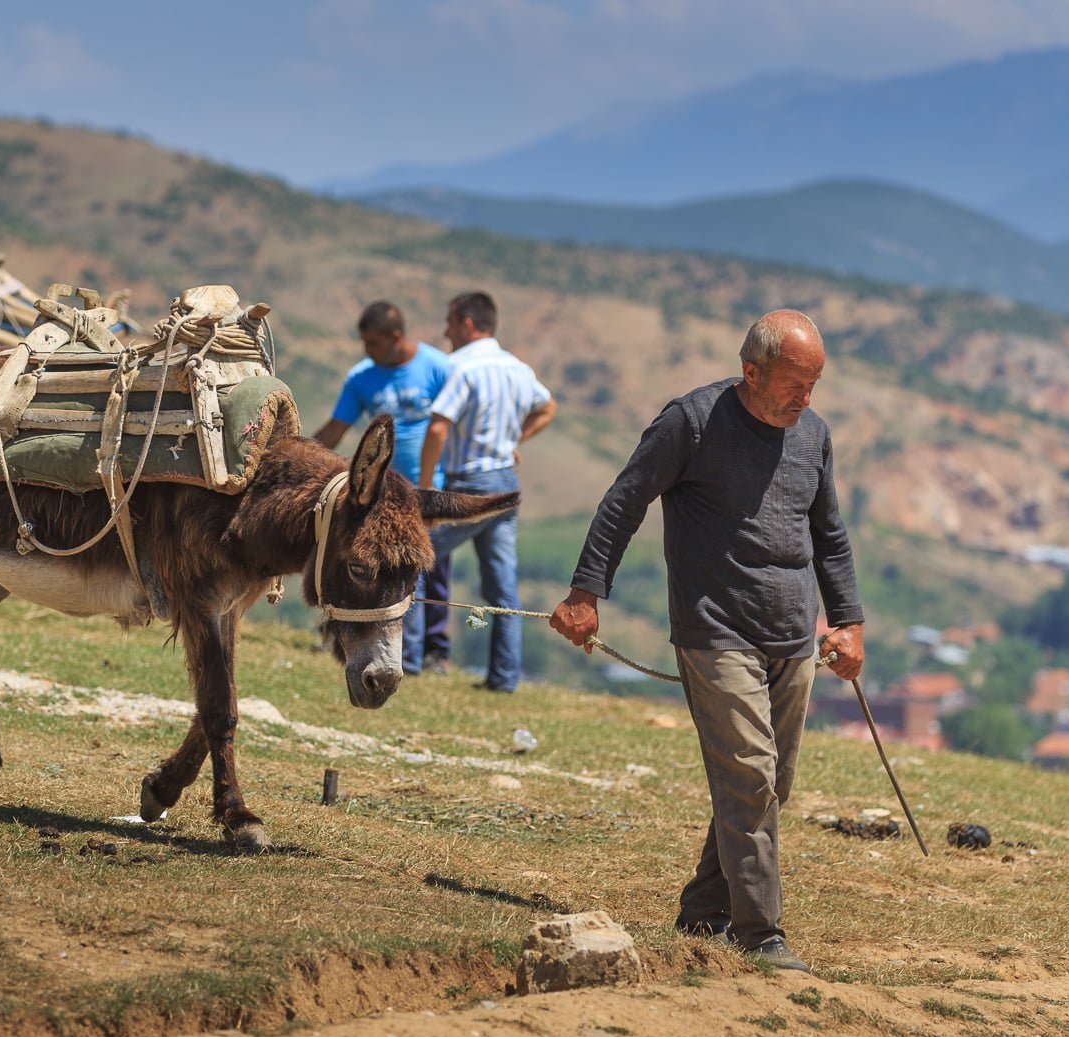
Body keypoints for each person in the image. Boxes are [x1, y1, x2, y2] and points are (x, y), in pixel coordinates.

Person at [548, 309, 865, 973]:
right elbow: (624, 501)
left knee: (768, 785)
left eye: (814, 385)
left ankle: (702, 909)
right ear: (752, 371)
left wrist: (849, 620)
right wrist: (585, 594)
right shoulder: (691, 422)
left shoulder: (815, 435)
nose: (805, 399)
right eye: (794, 384)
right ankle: (760, 933)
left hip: (792, 637)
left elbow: (829, 534)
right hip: (715, 631)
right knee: (748, 777)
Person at [418, 291, 557, 693]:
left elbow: (439, 425)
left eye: (449, 322)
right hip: (505, 485)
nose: (445, 332)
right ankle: (503, 678)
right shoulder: (516, 367)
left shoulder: (459, 367)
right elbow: (548, 407)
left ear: (466, 323)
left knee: (414, 558)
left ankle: (408, 658)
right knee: (502, 589)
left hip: (469, 486)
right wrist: (516, 440)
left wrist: (426, 487)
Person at [313, 302, 455, 674]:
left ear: (396, 337)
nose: (366, 350)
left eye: (373, 343)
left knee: (429, 577)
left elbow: (460, 419)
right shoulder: (361, 377)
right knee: (390, 578)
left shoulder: (438, 367)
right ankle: (404, 656)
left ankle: (432, 653)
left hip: (426, 493)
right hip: (380, 500)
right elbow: (336, 427)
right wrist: (300, 456)